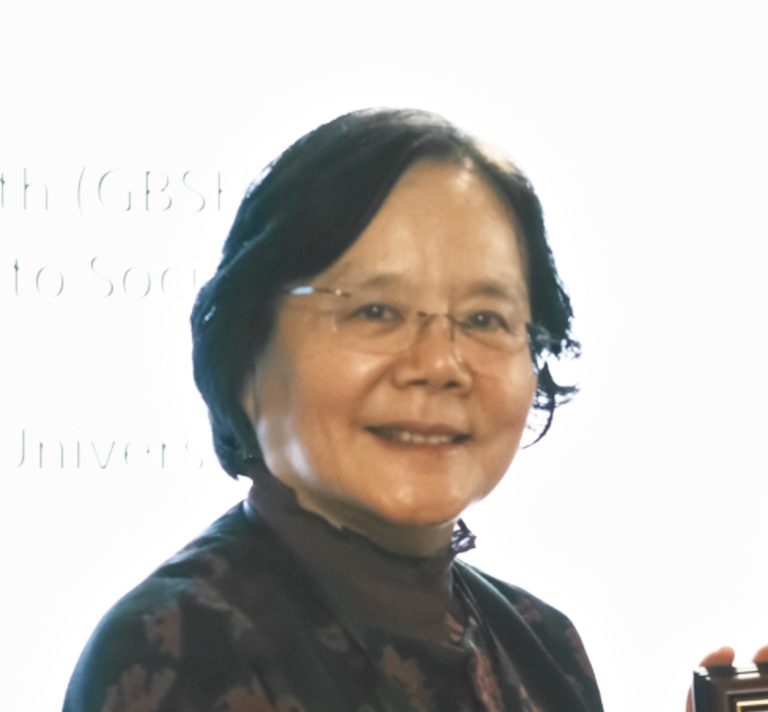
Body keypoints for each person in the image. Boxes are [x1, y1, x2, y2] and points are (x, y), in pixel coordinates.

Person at [65, 107, 744, 712]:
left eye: (483, 318)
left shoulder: (542, 645)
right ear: (247, 352)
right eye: (375, 311)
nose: (439, 364)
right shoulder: (183, 648)